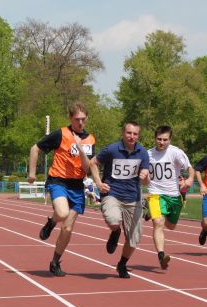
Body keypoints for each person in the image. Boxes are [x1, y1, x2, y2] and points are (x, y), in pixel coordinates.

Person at [27, 102, 94, 276]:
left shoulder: (90, 139)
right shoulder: (60, 134)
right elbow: (35, 149)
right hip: (58, 181)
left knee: (68, 229)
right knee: (62, 214)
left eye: (83, 119)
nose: (80, 123)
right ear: (71, 118)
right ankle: (52, 221)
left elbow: (87, 169)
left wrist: (80, 150)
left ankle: (55, 261)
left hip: (77, 185)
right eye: (77, 119)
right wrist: (32, 173)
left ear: (87, 118)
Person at [89, 122, 149, 278]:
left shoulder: (142, 153)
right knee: (113, 219)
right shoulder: (112, 149)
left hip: (133, 198)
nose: (132, 136)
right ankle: (115, 232)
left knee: (134, 239)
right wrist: (98, 183)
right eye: (129, 133)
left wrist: (145, 176)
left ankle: (122, 264)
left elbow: (145, 180)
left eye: (135, 134)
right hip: (112, 194)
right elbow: (93, 163)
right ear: (123, 133)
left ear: (138, 135)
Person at [144, 125, 193, 270]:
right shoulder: (148, 154)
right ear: (155, 138)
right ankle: (161, 255)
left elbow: (190, 168)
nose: (162, 142)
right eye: (159, 139)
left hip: (174, 195)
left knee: (171, 226)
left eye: (165, 139)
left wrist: (189, 179)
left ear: (170, 139)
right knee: (158, 223)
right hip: (155, 194)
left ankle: (150, 213)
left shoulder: (176, 152)